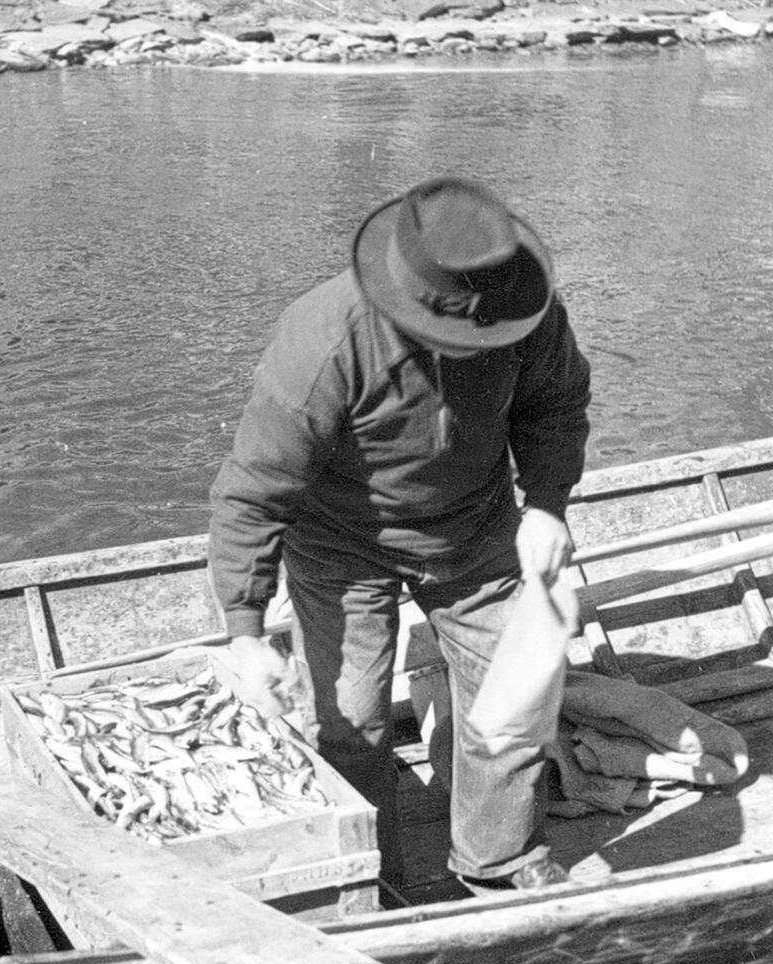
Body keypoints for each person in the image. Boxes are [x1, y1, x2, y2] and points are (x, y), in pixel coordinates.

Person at [208, 175, 591, 895]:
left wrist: (546, 504)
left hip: (475, 528)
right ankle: (372, 876)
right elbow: (253, 491)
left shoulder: (524, 306)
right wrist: (246, 630)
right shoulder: (325, 340)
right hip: (340, 543)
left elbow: (555, 405)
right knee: (352, 721)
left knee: (515, 698)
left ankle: (497, 856)